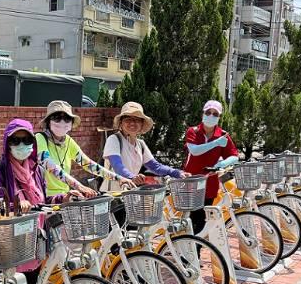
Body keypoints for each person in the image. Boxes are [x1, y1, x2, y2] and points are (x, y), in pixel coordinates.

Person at [0, 119, 82, 284]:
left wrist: (63, 198)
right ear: (7, 143)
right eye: (16, 141)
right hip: (9, 247)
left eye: (27, 140)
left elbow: (41, 203)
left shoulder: (35, 170)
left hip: (34, 242)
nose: (22, 145)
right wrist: (16, 206)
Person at [36, 100, 133, 196]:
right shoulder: (40, 139)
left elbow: (88, 164)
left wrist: (118, 178)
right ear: (48, 122)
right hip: (44, 197)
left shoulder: (68, 141)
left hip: (65, 196)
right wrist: (79, 186)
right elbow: (50, 166)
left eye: (67, 118)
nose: (62, 122)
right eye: (56, 118)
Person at [101, 101, 187, 192]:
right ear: (121, 123)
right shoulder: (114, 140)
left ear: (142, 124)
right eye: (128, 119)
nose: (132, 123)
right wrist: (132, 176)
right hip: (113, 195)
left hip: (131, 194)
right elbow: (117, 165)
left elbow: (155, 167)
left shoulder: (140, 144)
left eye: (137, 119)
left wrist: (177, 173)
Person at [183, 100, 239, 234]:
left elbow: (234, 155)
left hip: (210, 181)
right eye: (208, 112)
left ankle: (196, 249)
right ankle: (189, 249)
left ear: (219, 117)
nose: (211, 116)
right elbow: (195, 150)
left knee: (203, 219)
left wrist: (222, 164)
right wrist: (216, 143)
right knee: (193, 217)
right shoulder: (193, 131)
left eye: (215, 114)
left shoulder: (223, 134)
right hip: (192, 180)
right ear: (203, 113)